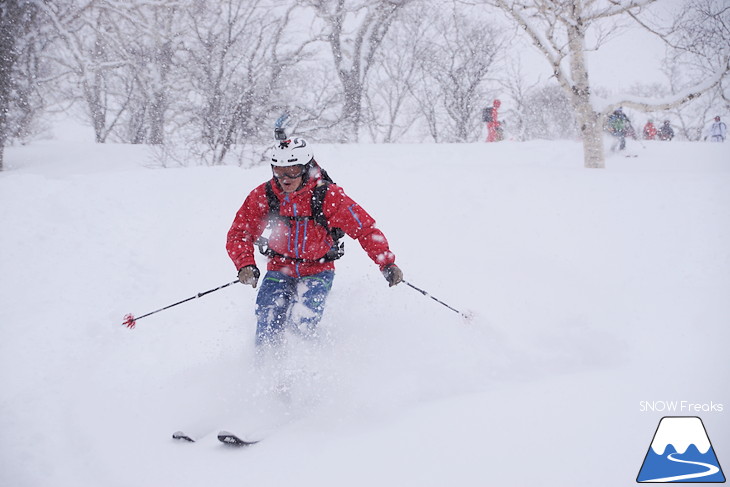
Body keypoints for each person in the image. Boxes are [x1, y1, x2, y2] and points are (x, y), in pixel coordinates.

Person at [226, 136, 403, 355]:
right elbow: (239, 233)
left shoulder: (328, 196)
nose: (285, 178)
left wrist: (387, 263)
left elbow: (365, 229)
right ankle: (266, 371)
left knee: (302, 322)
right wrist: (245, 265)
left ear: (306, 167)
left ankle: (305, 371)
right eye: (279, 171)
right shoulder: (266, 194)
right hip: (278, 267)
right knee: (268, 317)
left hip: (317, 270)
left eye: (292, 170)